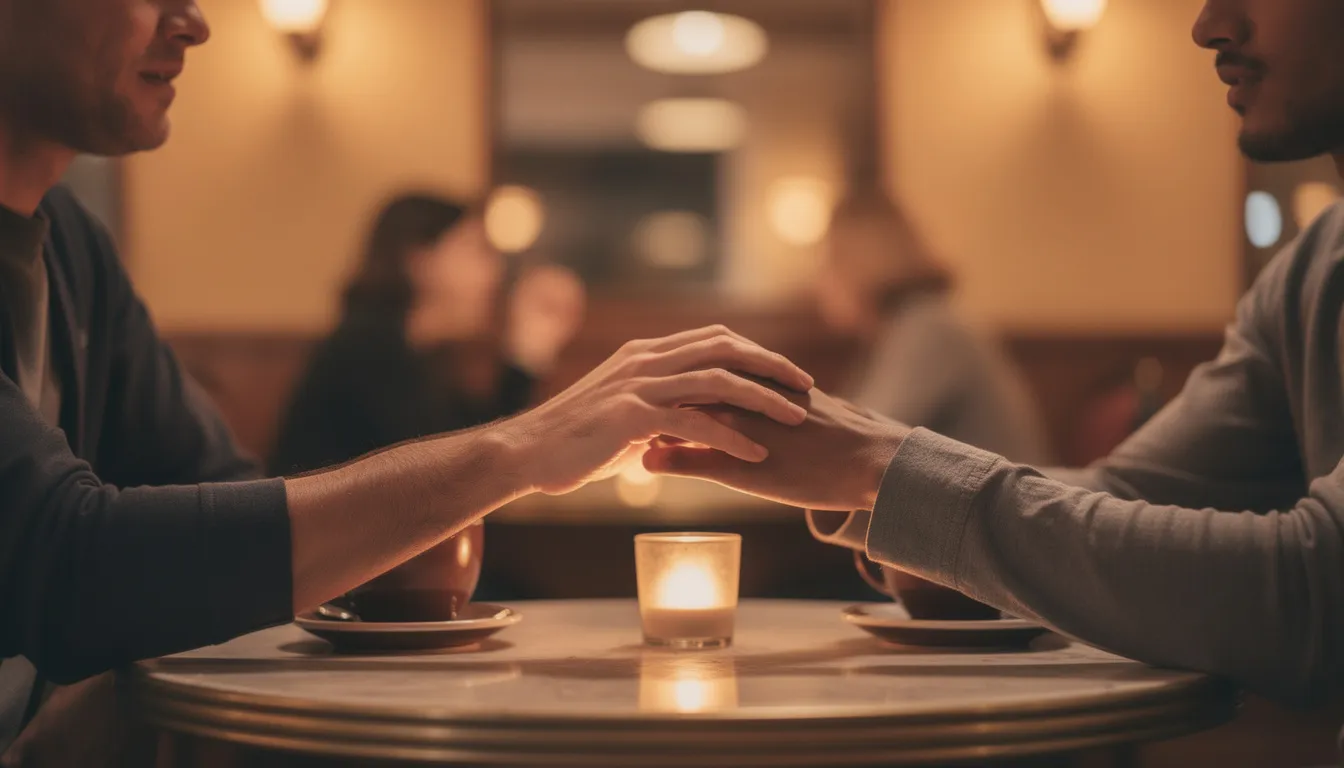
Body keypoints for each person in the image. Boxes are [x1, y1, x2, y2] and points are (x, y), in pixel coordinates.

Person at [0, 1, 815, 761]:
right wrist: (521, 446)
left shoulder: (75, 248)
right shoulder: (368, 346)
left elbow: (215, 485)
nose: (194, 22)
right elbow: (66, 563)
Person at [647, 0, 1344, 738]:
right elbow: (1126, 492)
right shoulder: (1309, 268)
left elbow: (1318, 596)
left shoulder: (929, 329)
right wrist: (879, 489)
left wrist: (884, 471)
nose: (1207, 24)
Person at [271, 194, 586, 476]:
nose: (494, 271)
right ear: (418, 259)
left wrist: (528, 350)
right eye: (476, 251)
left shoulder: (419, 351)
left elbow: (478, 441)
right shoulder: (367, 348)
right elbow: (456, 468)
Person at [818, 189, 1051, 465]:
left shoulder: (929, 330)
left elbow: (857, 441)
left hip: (1002, 493)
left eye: (828, 263)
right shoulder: (908, 327)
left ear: (856, 265)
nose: (819, 282)